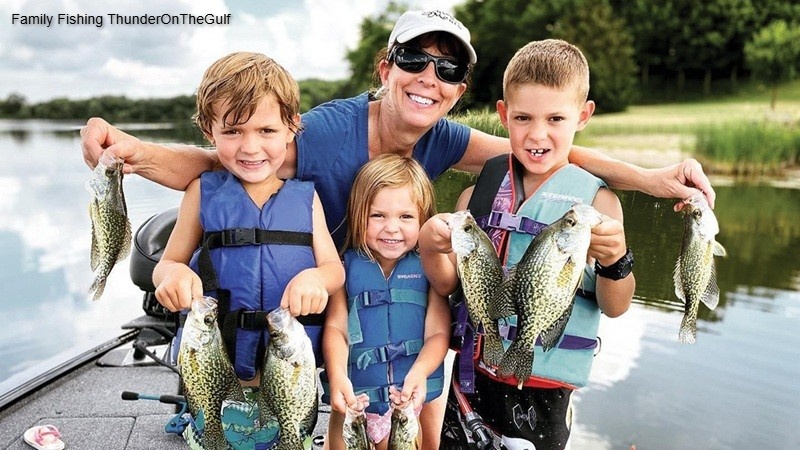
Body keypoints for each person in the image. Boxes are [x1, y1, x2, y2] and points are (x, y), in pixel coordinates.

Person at [79, 10, 714, 447]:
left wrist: (654, 180)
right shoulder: (327, 131)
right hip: (294, 304)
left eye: (448, 71)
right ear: (386, 68)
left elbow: (547, 148)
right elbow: (229, 164)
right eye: (415, 59)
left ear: (460, 90)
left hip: (376, 300)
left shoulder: (445, 138)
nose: (429, 79)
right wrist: (126, 152)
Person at [418, 39, 636, 450]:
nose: (538, 134)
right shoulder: (475, 197)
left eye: (556, 118)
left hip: (546, 390)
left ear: (583, 115)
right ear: (503, 115)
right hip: (472, 378)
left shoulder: (598, 204)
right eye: (523, 118)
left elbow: (615, 305)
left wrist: (616, 262)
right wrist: (431, 249)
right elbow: (449, 287)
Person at [152, 51, 345, 386]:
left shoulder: (306, 197)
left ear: (291, 128)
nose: (251, 147)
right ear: (209, 132)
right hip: (217, 368)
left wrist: (317, 279)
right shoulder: (200, 192)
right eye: (233, 131)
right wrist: (172, 276)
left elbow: (333, 269)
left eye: (267, 130)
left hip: (288, 372)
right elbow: (167, 263)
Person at [322, 154, 450, 450]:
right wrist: (338, 375)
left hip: (405, 403)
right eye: (377, 216)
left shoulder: (430, 268)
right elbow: (336, 329)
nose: (392, 228)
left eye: (406, 217)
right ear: (358, 215)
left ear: (423, 219)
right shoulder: (344, 267)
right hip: (354, 400)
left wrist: (418, 373)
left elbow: (438, 333)